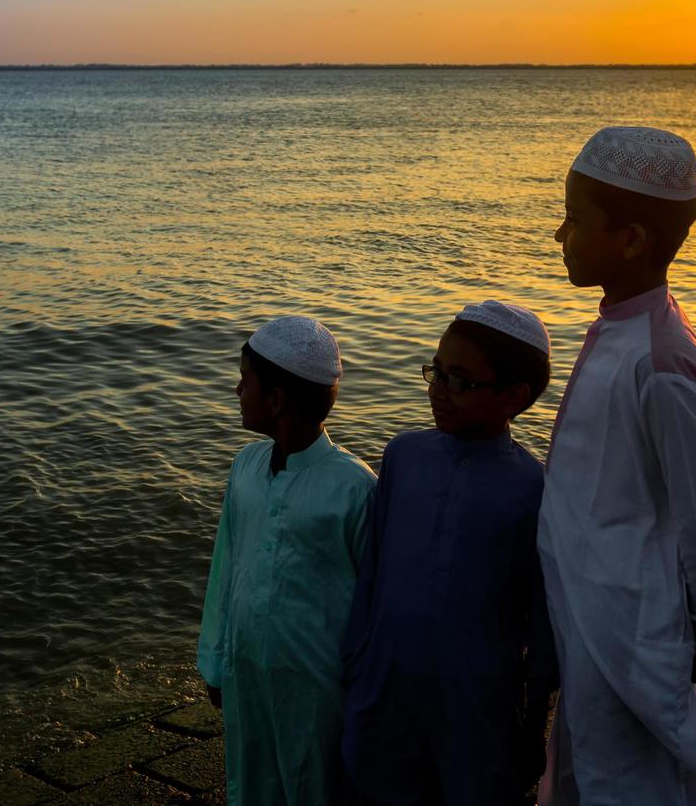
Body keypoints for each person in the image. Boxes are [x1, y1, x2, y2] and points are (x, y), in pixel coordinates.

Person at [540, 126, 696, 806]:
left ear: (630, 240)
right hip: (593, 610)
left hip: (633, 621)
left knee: (635, 783)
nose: (558, 235)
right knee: (587, 767)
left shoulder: (661, 361)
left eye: (573, 220)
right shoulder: (621, 331)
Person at [342, 301, 558, 806]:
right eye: (435, 372)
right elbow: (372, 570)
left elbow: (540, 610)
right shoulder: (404, 456)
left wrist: (536, 711)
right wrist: (355, 661)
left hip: (475, 699)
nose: (439, 390)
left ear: (514, 397)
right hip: (385, 684)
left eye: (459, 380)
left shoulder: (534, 486)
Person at [196, 316, 376, 806]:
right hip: (246, 666)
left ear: (275, 400)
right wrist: (216, 660)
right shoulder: (246, 467)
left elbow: (370, 604)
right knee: (251, 780)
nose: (236, 389)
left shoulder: (354, 487)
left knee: (313, 783)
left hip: (316, 685)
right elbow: (225, 566)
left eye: (245, 381)